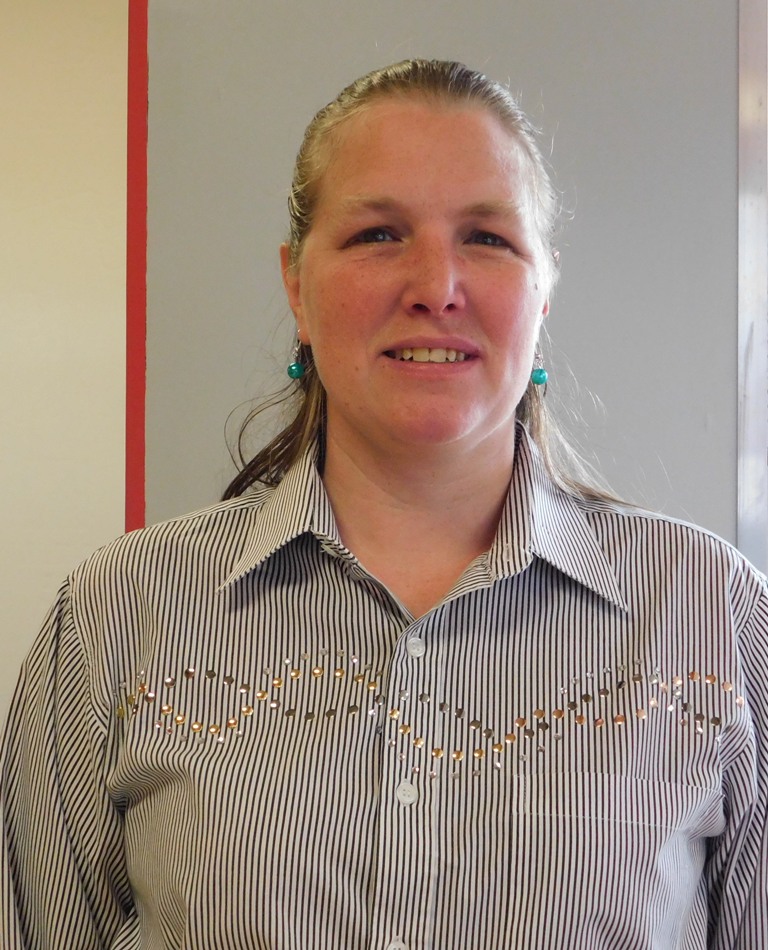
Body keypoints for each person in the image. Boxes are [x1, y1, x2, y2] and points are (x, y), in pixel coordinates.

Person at [1, 58, 766, 949]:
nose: (436, 286)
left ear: (544, 291)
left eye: (487, 238)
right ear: (296, 286)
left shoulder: (710, 613)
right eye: (378, 234)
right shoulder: (117, 614)